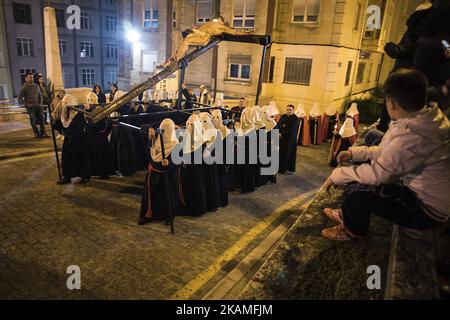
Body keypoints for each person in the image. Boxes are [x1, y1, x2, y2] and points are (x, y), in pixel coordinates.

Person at [322, 70, 449, 241]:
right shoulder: (424, 118)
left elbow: (378, 174)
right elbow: (386, 151)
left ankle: (353, 231)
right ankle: (347, 214)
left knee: (358, 193)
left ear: (391, 103)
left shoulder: (412, 134)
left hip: (427, 211)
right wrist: (354, 153)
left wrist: (337, 174)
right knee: (357, 180)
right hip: (425, 195)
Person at [162, 16, 252, 67]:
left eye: (218, 20)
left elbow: (236, 32)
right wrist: (195, 28)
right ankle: (172, 59)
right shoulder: (210, 23)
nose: (216, 21)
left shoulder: (223, 28)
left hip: (204, 38)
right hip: (199, 34)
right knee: (184, 40)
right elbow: (202, 27)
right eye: (216, 20)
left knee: (187, 40)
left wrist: (246, 33)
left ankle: (175, 59)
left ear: (222, 22)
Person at [139, 119, 181, 225]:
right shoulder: (155, 140)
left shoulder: (176, 144)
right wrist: (150, 129)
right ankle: (147, 215)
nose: (164, 131)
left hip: (167, 176)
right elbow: (143, 126)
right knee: (151, 195)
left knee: (167, 197)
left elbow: (180, 162)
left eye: (167, 129)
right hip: (153, 173)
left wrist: (170, 163)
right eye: (162, 129)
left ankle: (168, 216)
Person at [58, 95, 91, 185]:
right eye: (64, 103)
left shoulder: (79, 114)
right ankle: (67, 177)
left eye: (67, 103)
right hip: (68, 140)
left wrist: (69, 131)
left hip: (78, 140)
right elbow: (62, 126)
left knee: (81, 158)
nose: (65, 105)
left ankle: (85, 176)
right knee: (66, 158)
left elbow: (79, 128)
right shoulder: (64, 114)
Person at [180, 114, 208, 216]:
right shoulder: (184, 137)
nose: (189, 126)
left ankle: (197, 209)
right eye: (188, 124)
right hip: (186, 169)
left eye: (192, 125)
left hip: (196, 170)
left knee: (197, 187)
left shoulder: (202, 140)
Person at [86, 92, 113, 179]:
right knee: (93, 155)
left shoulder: (100, 109)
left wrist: (105, 133)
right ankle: (94, 171)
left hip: (100, 137)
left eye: (92, 100)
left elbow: (109, 122)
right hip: (92, 137)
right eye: (88, 100)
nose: (90, 102)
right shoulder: (85, 111)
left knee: (102, 156)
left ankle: (103, 173)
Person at [200, 112, 222, 211]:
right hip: (201, 163)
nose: (202, 124)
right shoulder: (199, 132)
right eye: (200, 121)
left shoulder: (215, 133)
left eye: (204, 121)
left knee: (210, 183)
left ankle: (212, 203)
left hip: (210, 163)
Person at [18, 72, 49, 138]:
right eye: (30, 77)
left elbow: (40, 96)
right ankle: (37, 133)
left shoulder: (36, 86)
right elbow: (19, 98)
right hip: (30, 107)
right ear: (26, 78)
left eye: (32, 77)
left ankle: (43, 133)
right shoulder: (24, 87)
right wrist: (27, 104)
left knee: (42, 119)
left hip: (38, 106)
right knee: (33, 120)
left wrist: (40, 104)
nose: (31, 79)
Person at [211, 109, 231, 207]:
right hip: (212, 159)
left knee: (222, 179)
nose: (215, 119)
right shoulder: (210, 130)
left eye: (218, 117)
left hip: (222, 159)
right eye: (213, 117)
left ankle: (223, 200)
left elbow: (228, 148)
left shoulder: (225, 131)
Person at [278, 105, 300, 174]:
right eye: (287, 109)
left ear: (293, 110)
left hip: (289, 139)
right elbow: (279, 125)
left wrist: (282, 134)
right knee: (280, 153)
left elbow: (292, 130)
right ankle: (279, 166)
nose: (288, 111)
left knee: (286, 154)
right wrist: (278, 132)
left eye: (290, 110)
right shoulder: (283, 116)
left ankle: (282, 169)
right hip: (281, 138)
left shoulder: (296, 119)